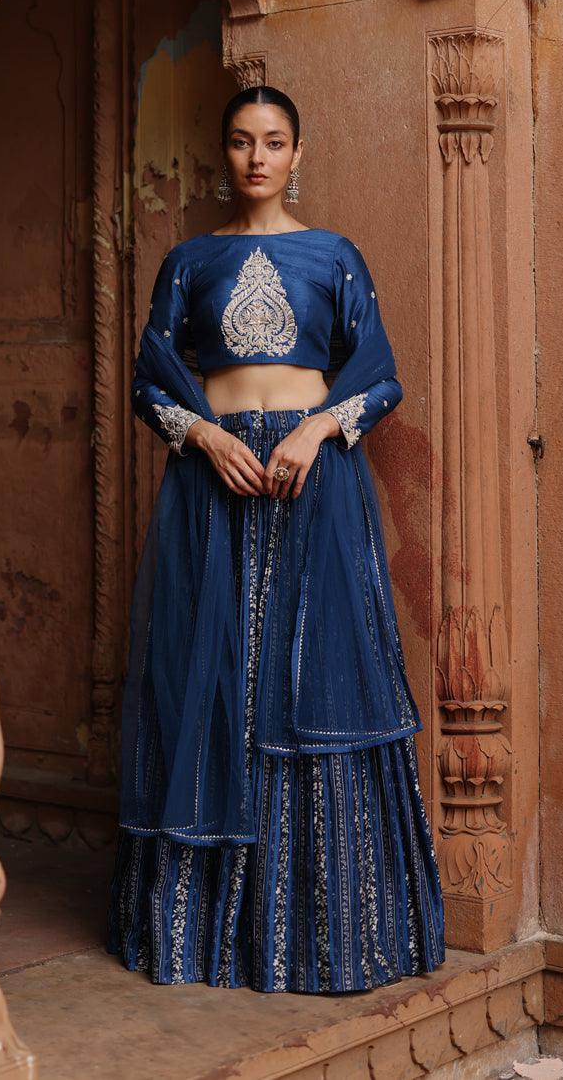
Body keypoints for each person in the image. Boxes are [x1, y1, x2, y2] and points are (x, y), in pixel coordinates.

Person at [108, 84, 444, 993]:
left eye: (276, 141)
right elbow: (150, 383)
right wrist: (206, 435)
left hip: (310, 480)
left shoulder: (335, 257)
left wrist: (315, 428)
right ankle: (208, 939)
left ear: (300, 153)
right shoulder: (188, 260)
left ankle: (320, 939)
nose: (259, 156)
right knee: (214, 681)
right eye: (243, 141)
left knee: (306, 686)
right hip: (211, 481)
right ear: (224, 154)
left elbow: (381, 378)